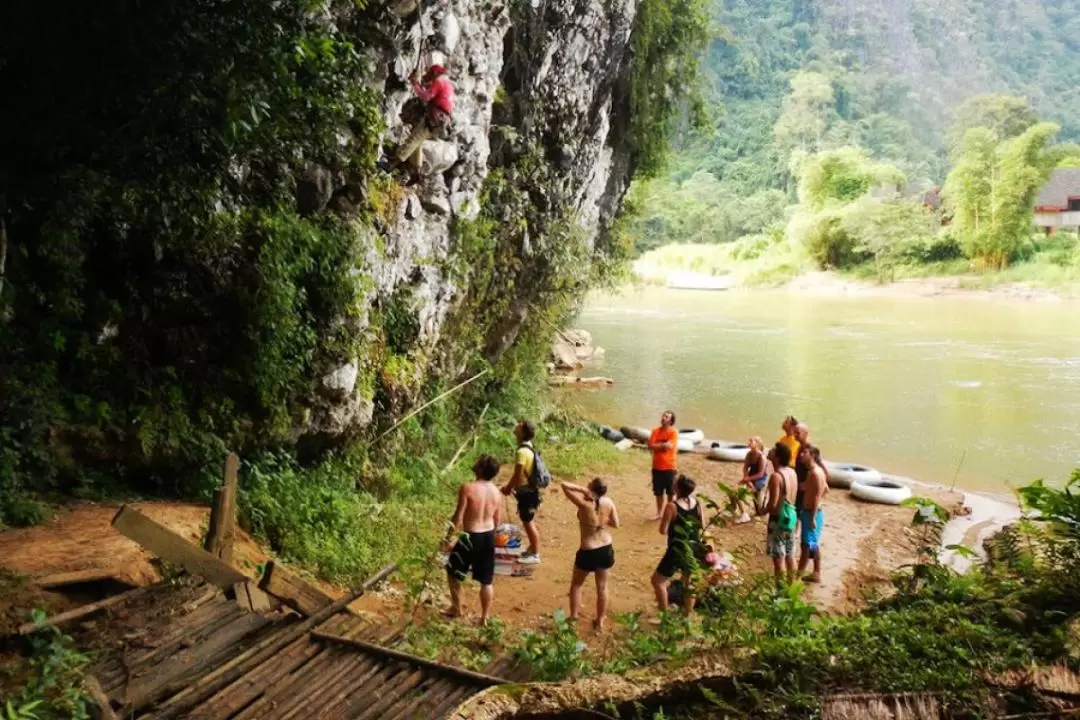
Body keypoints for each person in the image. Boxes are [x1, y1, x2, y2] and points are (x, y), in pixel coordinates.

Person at [444, 454, 502, 624]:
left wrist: (448, 538)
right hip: (488, 536)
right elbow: (497, 520)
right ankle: (484, 617)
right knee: (486, 580)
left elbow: (458, 517)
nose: (475, 462)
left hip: (470, 536)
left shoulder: (468, 488)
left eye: (478, 461)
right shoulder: (496, 492)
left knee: (453, 572)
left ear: (481, 468)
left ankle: (456, 608)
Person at [562, 478, 620, 632]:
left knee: (576, 584)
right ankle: (600, 620)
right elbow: (616, 524)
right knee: (602, 586)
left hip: (588, 550)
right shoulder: (608, 502)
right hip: (605, 548)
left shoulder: (584, 504)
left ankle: (574, 617)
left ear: (591, 489)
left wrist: (582, 490)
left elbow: (564, 485)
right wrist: (601, 522)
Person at [652, 474, 705, 616]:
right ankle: (688, 615)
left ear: (678, 488)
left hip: (677, 548)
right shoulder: (697, 503)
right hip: (694, 547)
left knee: (658, 581)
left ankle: (664, 616)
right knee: (689, 582)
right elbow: (702, 525)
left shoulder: (672, 506)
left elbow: (662, 530)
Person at [394, 63, 455, 185]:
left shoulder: (439, 81)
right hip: (442, 121)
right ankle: (416, 171)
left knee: (415, 138)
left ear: (434, 73)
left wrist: (415, 84)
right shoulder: (448, 84)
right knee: (419, 142)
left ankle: (393, 162)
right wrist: (418, 83)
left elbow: (426, 97)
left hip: (435, 118)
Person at [501, 420, 542, 564]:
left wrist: (507, 488)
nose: (516, 426)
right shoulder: (529, 447)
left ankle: (535, 554)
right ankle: (532, 548)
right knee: (528, 521)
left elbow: (517, 476)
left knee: (528, 522)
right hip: (531, 491)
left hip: (527, 493)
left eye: (519, 425)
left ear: (523, 432)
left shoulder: (521, 452)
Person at [759, 442, 798, 584]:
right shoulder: (792, 472)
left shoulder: (776, 476)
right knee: (790, 555)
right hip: (792, 518)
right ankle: (792, 587)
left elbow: (773, 504)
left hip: (778, 521)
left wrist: (763, 511)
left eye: (774, 450)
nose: (770, 451)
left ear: (778, 457)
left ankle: (780, 592)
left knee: (778, 560)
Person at [797, 445, 828, 583]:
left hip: (811, 513)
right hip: (809, 511)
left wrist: (813, 517)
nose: (801, 455)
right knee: (811, 544)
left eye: (805, 453)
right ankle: (815, 572)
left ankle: (798, 575)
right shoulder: (814, 471)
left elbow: (817, 495)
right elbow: (825, 489)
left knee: (806, 545)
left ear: (813, 455)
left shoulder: (815, 473)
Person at [647, 411, 679, 521]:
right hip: (656, 467)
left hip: (669, 467)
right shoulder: (655, 431)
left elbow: (668, 447)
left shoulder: (673, 432)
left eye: (666, 417)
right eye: (663, 416)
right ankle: (659, 513)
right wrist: (662, 445)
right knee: (658, 492)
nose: (663, 418)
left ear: (671, 421)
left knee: (671, 492)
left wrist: (658, 446)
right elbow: (650, 446)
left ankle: (669, 514)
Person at [735, 437, 769, 524]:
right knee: (736, 492)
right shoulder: (749, 454)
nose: (749, 442)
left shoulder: (762, 457)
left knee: (758, 508)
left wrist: (747, 479)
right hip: (750, 478)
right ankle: (744, 513)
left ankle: (761, 512)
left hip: (760, 480)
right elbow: (745, 468)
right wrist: (748, 480)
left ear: (757, 444)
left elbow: (761, 474)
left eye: (751, 441)